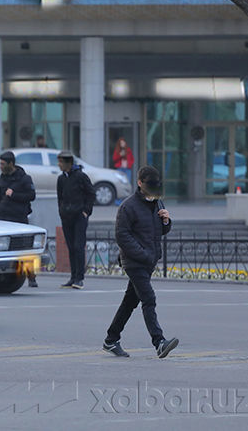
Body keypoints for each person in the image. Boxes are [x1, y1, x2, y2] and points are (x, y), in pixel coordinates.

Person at [103, 166, 179, 359]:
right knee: (148, 298)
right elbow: (122, 236)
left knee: (129, 302)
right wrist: (143, 254)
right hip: (134, 262)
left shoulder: (157, 203)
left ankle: (111, 340)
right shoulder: (128, 206)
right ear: (140, 183)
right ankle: (159, 342)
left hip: (148, 261)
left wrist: (166, 221)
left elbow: (160, 231)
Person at [0, 151, 38, 287]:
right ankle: (4, 277)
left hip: (19, 219)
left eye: (3, 164)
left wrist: (14, 195)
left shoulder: (24, 178)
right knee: (3, 250)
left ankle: (31, 276)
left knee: (25, 248)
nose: (0, 166)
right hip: (3, 219)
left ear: (11, 164)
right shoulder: (2, 179)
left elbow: (31, 195)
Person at [56, 150, 95, 289]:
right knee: (71, 247)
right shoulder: (61, 179)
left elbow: (91, 193)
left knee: (79, 247)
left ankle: (79, 278)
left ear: (68, 163)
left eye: (61, 162)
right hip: (66, 217)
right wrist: (61, 211)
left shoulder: (81, 176)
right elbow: (60, 197)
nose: (59, 165)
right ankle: (72, 277)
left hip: (79, 216)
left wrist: (86, 211)